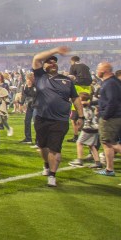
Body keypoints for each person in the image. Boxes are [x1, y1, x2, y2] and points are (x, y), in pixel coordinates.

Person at [32, 46, 83, 187]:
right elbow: (36, 58)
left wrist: (81, 116)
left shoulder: (67, 80)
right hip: (42, 118)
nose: (53, 63)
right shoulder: (40, 76)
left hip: (60, 120)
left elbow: (76, 99)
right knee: (42, 146)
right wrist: (55, 50)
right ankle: (46, 164)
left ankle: (52, 176)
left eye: (55, 61)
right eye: (49, 62)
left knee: (55, 148)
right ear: (44, 65)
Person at [68, 92, 102, 168]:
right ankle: (97, 162)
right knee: (91, 145)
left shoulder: (83, 105)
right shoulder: (92, 105)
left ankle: (79, 160)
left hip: (88, 127)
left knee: (79, 143)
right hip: (96, 127)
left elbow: (85, 116)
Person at [19, 72, 37, 144]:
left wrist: (30, 87)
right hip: (30, 105)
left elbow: (36, 95)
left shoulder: (36, 86)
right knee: (26, 121)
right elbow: (24, 95)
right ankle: (28, 138)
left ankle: (38, 140)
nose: (27, 81)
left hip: (37, 106)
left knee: (36, 122)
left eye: (29, 79)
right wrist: (21, 103)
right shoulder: (25, 86)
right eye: (27, 79)